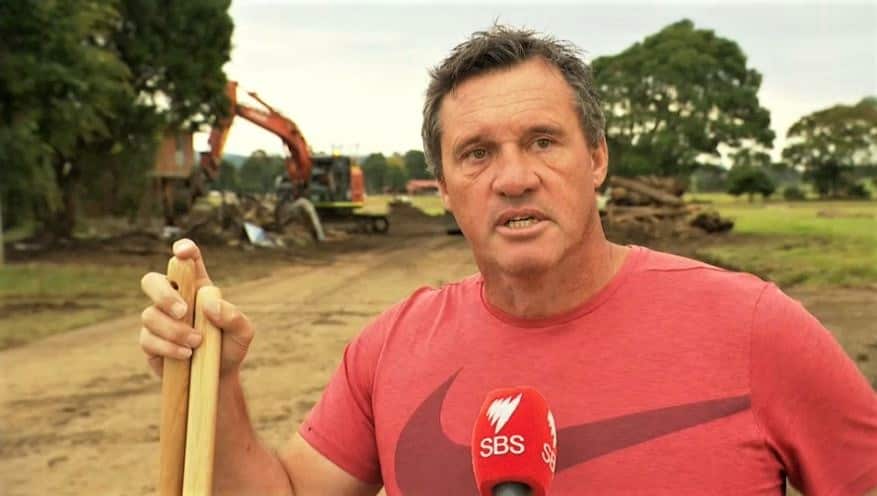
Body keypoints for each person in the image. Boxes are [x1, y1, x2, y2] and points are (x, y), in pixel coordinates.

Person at [139, 26, 877, 495]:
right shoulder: (390, 349)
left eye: (542, 141)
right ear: (445, 188)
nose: (514, 176)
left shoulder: (754, 329)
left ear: (595, 158)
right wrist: (218, 378)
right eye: (476, 153)